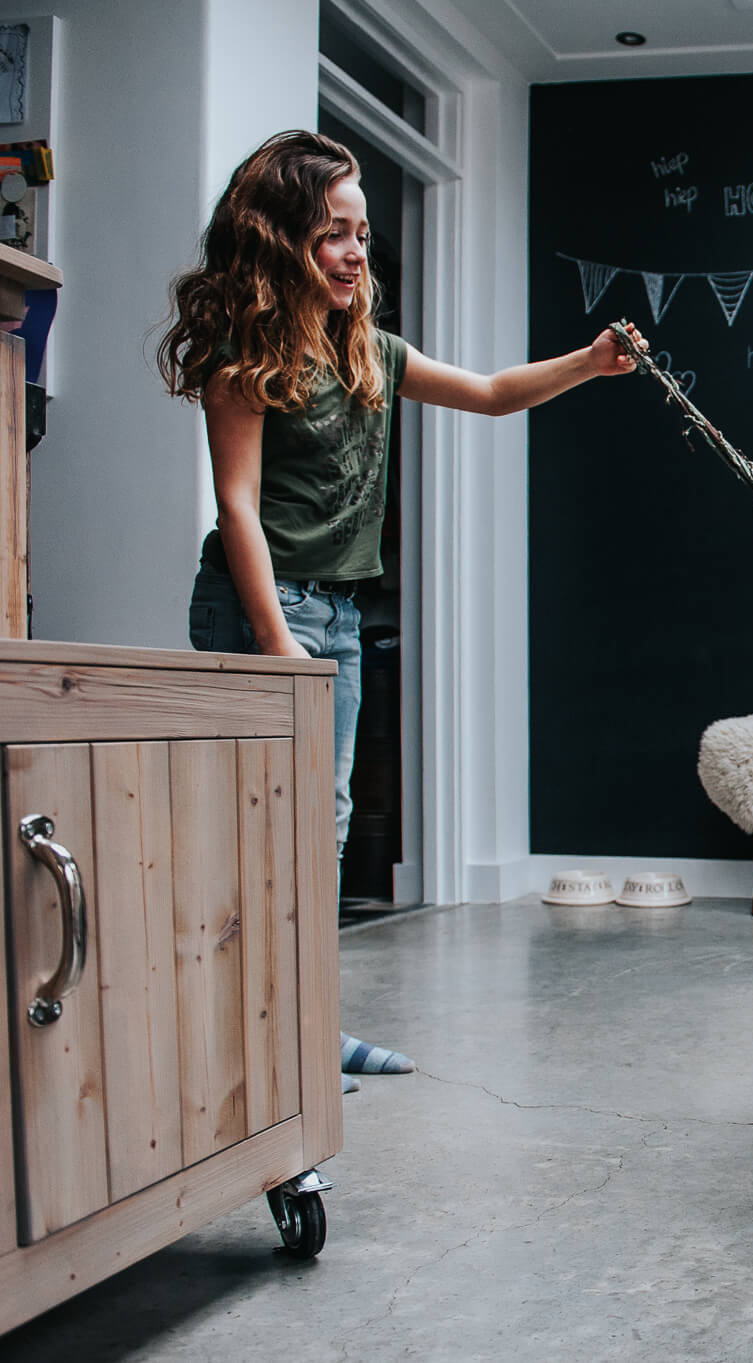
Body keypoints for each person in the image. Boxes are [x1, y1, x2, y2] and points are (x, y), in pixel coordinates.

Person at [157, 130, 645, 1092]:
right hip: (264, 611)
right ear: (281, 237)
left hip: (335, 616)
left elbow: (493, 394)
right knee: (252, 832)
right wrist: (276, 642)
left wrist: (590, 362)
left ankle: (308, 1028)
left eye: (362, 235)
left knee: (321, 831)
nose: (355, 253)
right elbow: (237, 505)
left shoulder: (367, 350)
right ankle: (250, 1046)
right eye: (333, 233)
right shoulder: (246, 352)